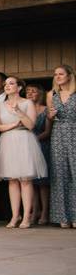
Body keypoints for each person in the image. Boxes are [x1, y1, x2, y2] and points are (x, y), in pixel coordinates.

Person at [0, 76, 47, 228]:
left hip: (24, 140)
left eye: (11, 83)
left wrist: (19, 113)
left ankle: (26, 217)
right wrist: (14, 124)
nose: (7, 86)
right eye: (6, 84)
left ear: (19, 88)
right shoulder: (1, 105)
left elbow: (31, 125)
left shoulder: (27, 102)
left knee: (25, 180)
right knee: (12, 180)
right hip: (8, 140)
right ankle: (14, 215)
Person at [47, 64, 76, 228]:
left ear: (69, 76)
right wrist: (50, 116)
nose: (57, 77)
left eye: (61, 74)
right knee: (60, 175)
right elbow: (49, 119)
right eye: (55, 74)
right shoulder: (52, 94)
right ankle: (62, 217)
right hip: (58, 135)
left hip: (74, 132)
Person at [27, 83, 52, 225]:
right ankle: (34, 210)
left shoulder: (45, 110)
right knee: (32, 182)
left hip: (42, 146)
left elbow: (48, 132)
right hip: (27, 148)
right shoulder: (25, 110)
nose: (30, 93)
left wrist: (33, 139)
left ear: (40, 94)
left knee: (43, 182)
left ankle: (44, 212)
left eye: (33, 91)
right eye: (28, 91)